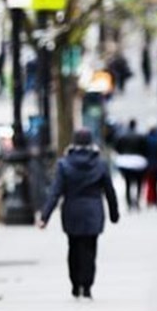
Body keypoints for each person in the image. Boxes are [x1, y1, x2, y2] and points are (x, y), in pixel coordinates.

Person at [37, 128, 120, 299]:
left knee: (73, 247)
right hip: (93, 211)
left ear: (73, 143)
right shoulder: (100, 163)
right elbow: (109, 191)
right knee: (90, 249)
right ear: (91, 143)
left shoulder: (64, 164)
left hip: (72, 211)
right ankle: (87, 285)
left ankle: (75, 284)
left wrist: (44, 217)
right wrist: (114, 214)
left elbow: (55, 192)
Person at [113, 119, 147, 210]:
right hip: (138, 162)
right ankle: (137, 201)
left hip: (125, 162)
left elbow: (117, 148)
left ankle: (129, 203)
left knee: (128, 184)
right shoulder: (140, 136)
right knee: (139, 183)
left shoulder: (122, 136)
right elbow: (145, 149)